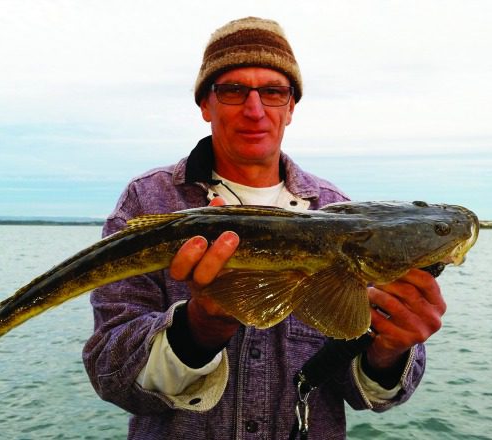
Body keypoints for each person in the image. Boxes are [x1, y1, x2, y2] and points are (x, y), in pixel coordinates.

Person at [83, 17, 446, 439]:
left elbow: (367, 391)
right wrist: (198, 328)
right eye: (233, 90)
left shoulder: (340, 212)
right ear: (205, 104)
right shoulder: (148, 202)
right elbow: (109, 371)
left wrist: (390, 349)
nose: (254, 109)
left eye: (273, 92)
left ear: (290, 107)